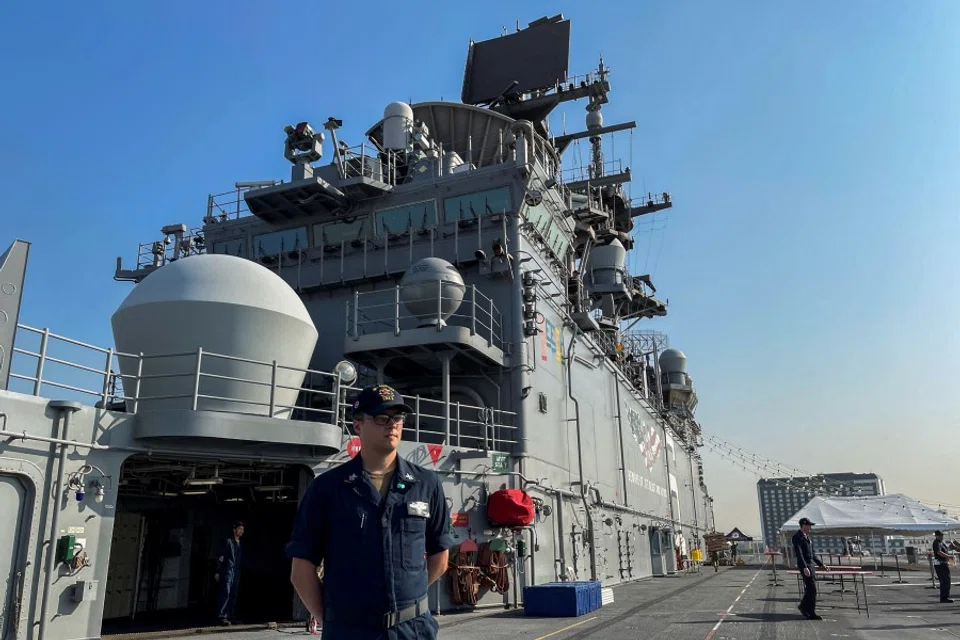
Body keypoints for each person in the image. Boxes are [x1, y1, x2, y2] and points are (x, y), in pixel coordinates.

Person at [286, 384, 454, 639]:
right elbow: (301, 570)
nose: (392, 425)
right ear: (358, 425)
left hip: (412, 631)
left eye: (398, 418)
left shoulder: (426, 484)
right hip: (350, 631)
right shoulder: (328, 488)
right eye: (381, 417)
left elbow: (440, 557)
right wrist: (333, 622)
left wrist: (407, 600)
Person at [792, 517, 826, 620]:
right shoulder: (797, 537)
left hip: (811, 565)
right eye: (809, 525)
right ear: (803, 525)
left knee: (811, 589)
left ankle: (804, 607)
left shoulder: (807, 537)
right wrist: (804, 567)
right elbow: (799, 554)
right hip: (805, 566)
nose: (810, 528)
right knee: (812, 589)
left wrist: (821, 564)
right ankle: (810, 611)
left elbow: (812, 554)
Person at [215, 521, 244, 625]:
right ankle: (222, 617)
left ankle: (231, 616)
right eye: (239, 529)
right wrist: (218, 571)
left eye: (242, 529)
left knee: (233, 594)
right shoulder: (228, 541)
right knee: (225, 593)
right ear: (234, 530)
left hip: (236, 571)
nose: (241, 531)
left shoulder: (240, 543)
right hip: (227, 570)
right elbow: (220, 557)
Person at [932, 530, 954, 603]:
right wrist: (948, 556)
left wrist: (952, 546)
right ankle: (944, 598)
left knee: (947, 580)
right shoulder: (936, 543)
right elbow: (939, 552)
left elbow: (946, 549)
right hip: (940, 564)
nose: (942, 537)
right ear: (936, 536)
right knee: (944, 581)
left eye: (942, 535)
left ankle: (945, 597)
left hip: (944, 563)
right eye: (940, 535)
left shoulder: (942, 542)